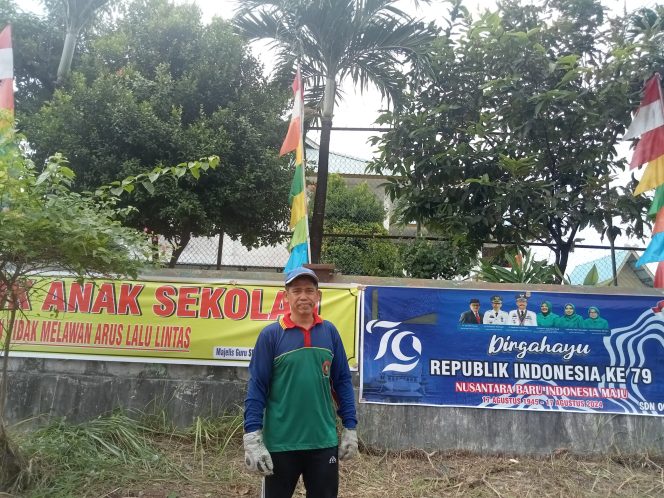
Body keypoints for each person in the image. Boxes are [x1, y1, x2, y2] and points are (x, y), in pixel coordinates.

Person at [243, 267, 358, 498]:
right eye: (296, 291)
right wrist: (252, 436)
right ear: (286, 296)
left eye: (309, 290)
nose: (303, 296)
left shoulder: (330, 333)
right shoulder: (271, 335)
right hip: (281, 443)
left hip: (323, 441)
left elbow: (342, 382)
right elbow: (257, 386)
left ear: (318, 296)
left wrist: (350, 427)